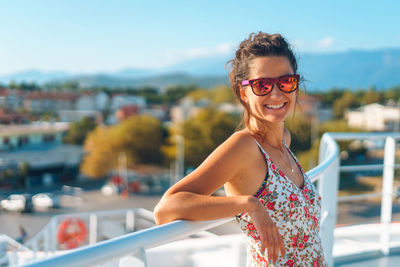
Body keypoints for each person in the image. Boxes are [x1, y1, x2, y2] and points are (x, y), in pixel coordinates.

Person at [154, 32, 327, 267]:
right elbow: (165, 209)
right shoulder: (244, 147)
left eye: (286, 82)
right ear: (244, 92)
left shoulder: (283, 141)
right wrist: (248, 204)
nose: (276, 93)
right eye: (262, 85)